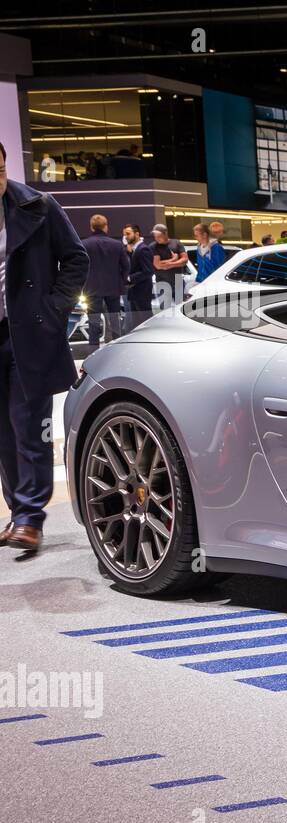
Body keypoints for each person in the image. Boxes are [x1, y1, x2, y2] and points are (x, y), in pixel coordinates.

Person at [0, 139, 90, 552]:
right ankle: (17, 511)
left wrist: (53, 311)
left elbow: (76, 259)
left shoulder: (38, 205)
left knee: (29, 426)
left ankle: (29, 518)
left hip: (29, 335)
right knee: (3, 431)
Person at [82, 214, 129, 351]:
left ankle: (92, 353)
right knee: (115, 322)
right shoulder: (117, 245)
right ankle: (116, 352)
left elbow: (80, 267)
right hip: (113, 288)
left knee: (93, 323)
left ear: (91, 227)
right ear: (106, 226)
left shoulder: (84, 244)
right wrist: (120, 281)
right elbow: (126, 267)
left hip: (91, 289)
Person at [124, 225, 156, 333]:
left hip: (142, 291)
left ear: (137, 234)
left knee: (145, 322)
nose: (126, 236)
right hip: (135, 291)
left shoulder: (143, 249)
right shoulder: (134, 249)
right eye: (125, 234)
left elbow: (148, 271)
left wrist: (129, 278)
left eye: (128, 234)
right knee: (137, 324)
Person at [150, 224, 188, 310]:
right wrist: (174, 259)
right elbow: (158, 265)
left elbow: (185, 260)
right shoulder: (153, 246)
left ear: (165, 233)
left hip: (178, 280)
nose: (156, 238)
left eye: (159, 236)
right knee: (165, 311)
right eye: (155, 236)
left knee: (181, 309)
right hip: (162, 282)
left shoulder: (176, 243)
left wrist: (168, 265)